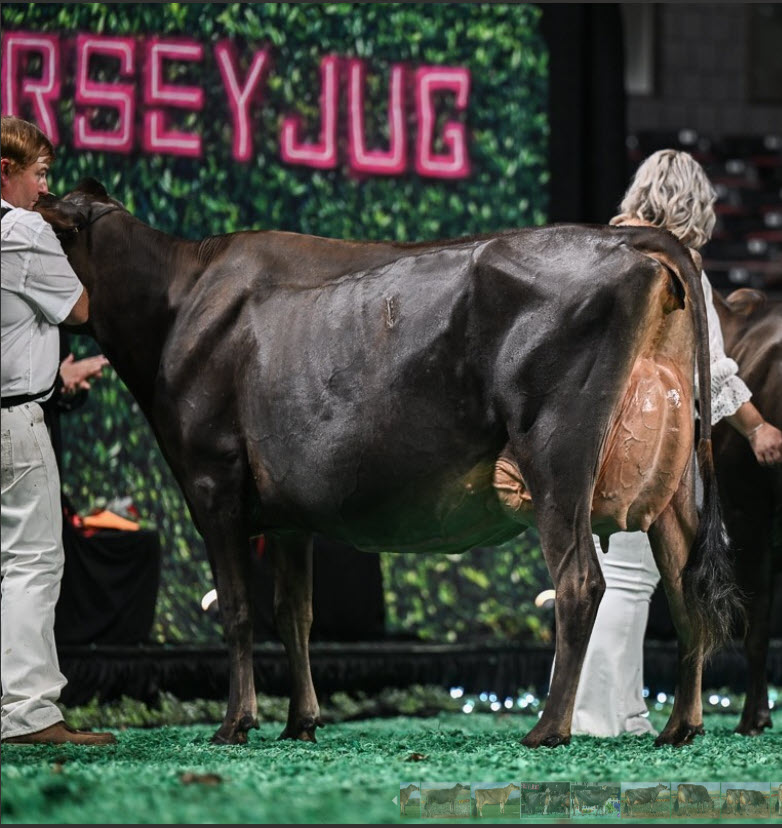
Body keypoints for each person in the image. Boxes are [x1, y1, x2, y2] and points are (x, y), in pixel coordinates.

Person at [568, 149, 782, 737]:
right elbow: (709, 371)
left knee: (601, 574)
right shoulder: (676, 265)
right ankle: (596, 718)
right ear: (694, 205)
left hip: (586, 437)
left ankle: (621, 710)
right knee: (629, 578)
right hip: (646, 440)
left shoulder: (598, 252)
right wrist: (757, 427)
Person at [1, 115, 115, 745]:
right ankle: (29, 715)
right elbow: (80, 308)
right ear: (5, 172)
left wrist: (54, 371)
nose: (45, 189)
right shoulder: (20, 228)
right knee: (31, 563)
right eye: (40, 174)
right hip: (14, 424)